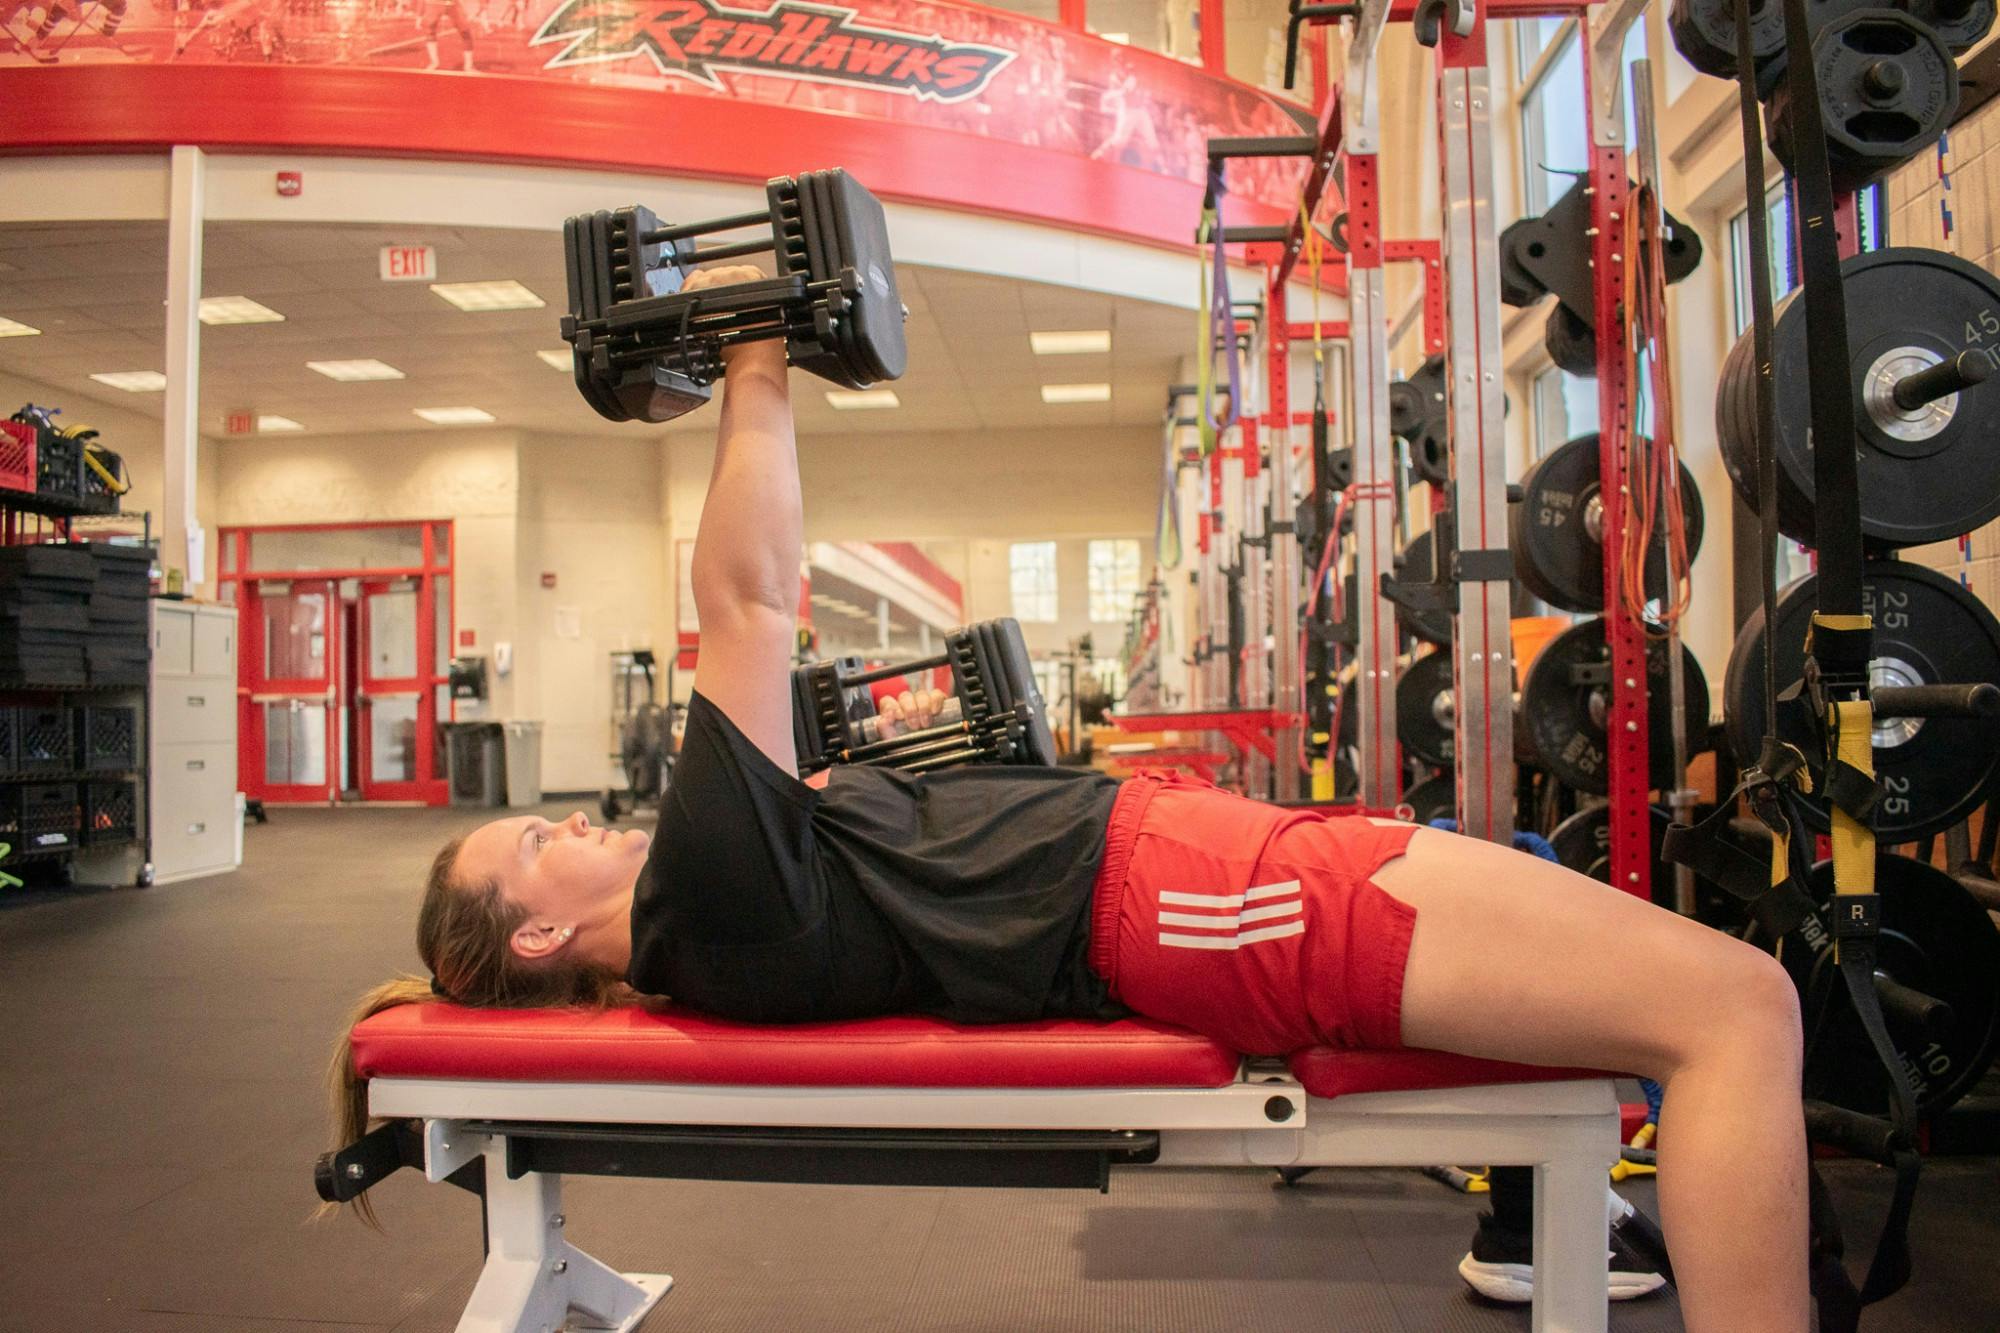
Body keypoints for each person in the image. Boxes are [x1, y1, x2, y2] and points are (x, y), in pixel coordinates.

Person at [326, 266, 1808, 1332]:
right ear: (533, 940)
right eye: (540, 844)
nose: (574, 822)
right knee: (1734, 1010)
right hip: (1198, 898)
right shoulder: (697, 895)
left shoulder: (714, 904)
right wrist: (754, 360)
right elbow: (749, 595)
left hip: (1199, 870)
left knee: (1706, 1004)